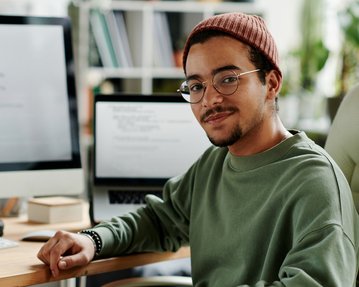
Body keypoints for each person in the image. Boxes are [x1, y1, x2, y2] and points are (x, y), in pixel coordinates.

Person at [38, 12, 359, 286]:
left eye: (228, 79)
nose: (210, 99)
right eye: (196, 86)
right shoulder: (214, 164)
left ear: (272, 82)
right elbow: (159, 220)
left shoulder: (315, 182)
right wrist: (92, 240)